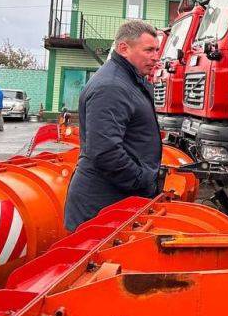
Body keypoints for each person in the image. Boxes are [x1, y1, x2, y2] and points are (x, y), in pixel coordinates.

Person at [64, 19, 163, 231]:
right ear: (123, 48)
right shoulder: (111, 86)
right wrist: (143, 181)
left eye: (157, 50)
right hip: (101, 207)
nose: (156, 57)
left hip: (115, 201)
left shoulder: (129, 81)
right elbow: (105, 151)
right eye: (149, 50)